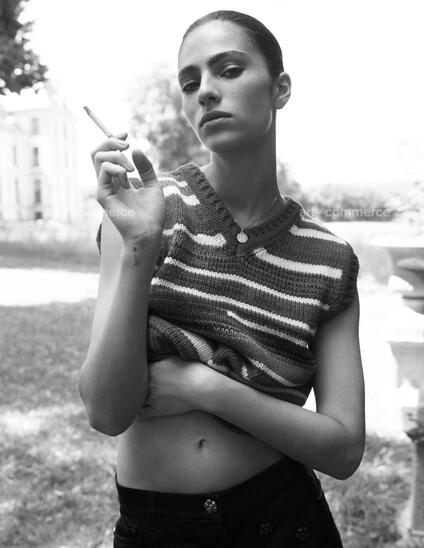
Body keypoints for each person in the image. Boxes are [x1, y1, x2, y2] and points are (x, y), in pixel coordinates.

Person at [79, 10, 365, 547]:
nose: (206, 91)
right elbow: (105, 411)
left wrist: (204, 388)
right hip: (156, 530)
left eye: (229, 70)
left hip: (284, 522)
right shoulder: (142, 211)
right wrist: (141, 246)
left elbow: (344, 449)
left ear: (280, 89)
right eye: (190, 83)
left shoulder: (329, 259)